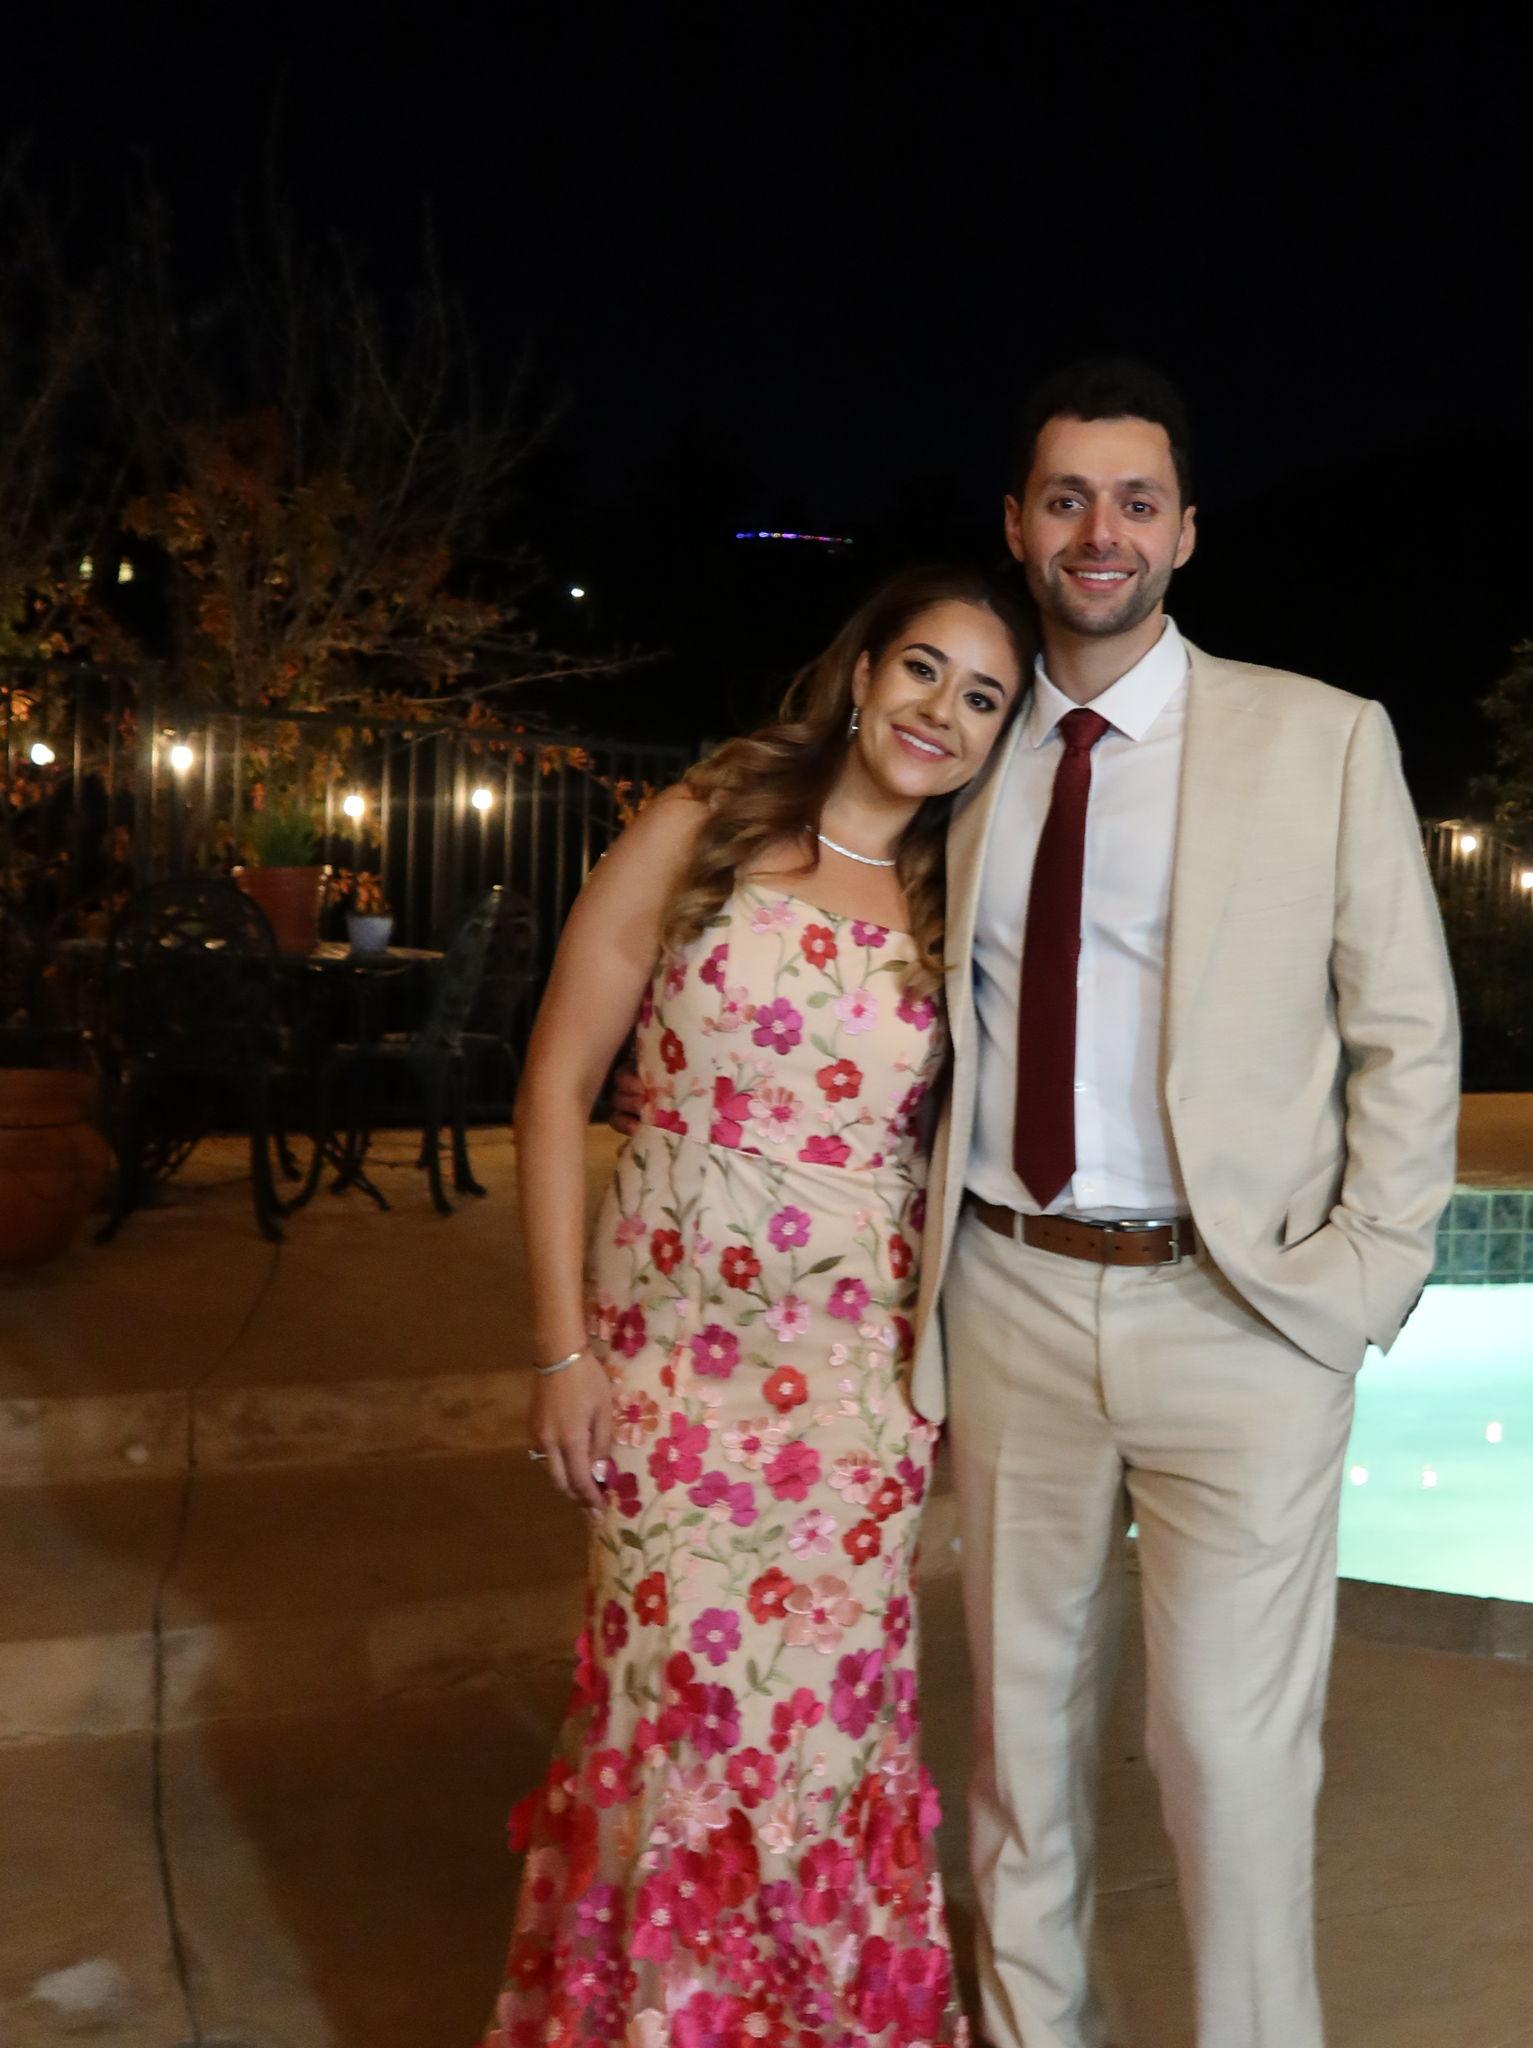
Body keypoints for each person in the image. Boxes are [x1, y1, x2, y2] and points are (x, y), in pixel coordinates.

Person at [914, 359, 1461, 2048]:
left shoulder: (1322, 737)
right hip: (1009, 1292)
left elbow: (1408, 1029)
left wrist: (1362, 1282)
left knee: (1228, 1755)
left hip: (1243, 1313)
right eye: (1068, 498)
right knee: (1018, 1750)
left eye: (1136, 501)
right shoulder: (963, 752)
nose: (1103, 531)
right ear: (1019, 527)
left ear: (1188, 532)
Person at [481, 563, 1034, 2048]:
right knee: (671, 1726)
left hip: (852, 1408)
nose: (943, 712)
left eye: (984, 698)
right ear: (862, 674)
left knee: (823, 1744)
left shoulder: (961, 906)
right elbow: (556, 1083)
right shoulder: (706, 823)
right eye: (923, 671)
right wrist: (560, 1350)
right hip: (665, 1379)